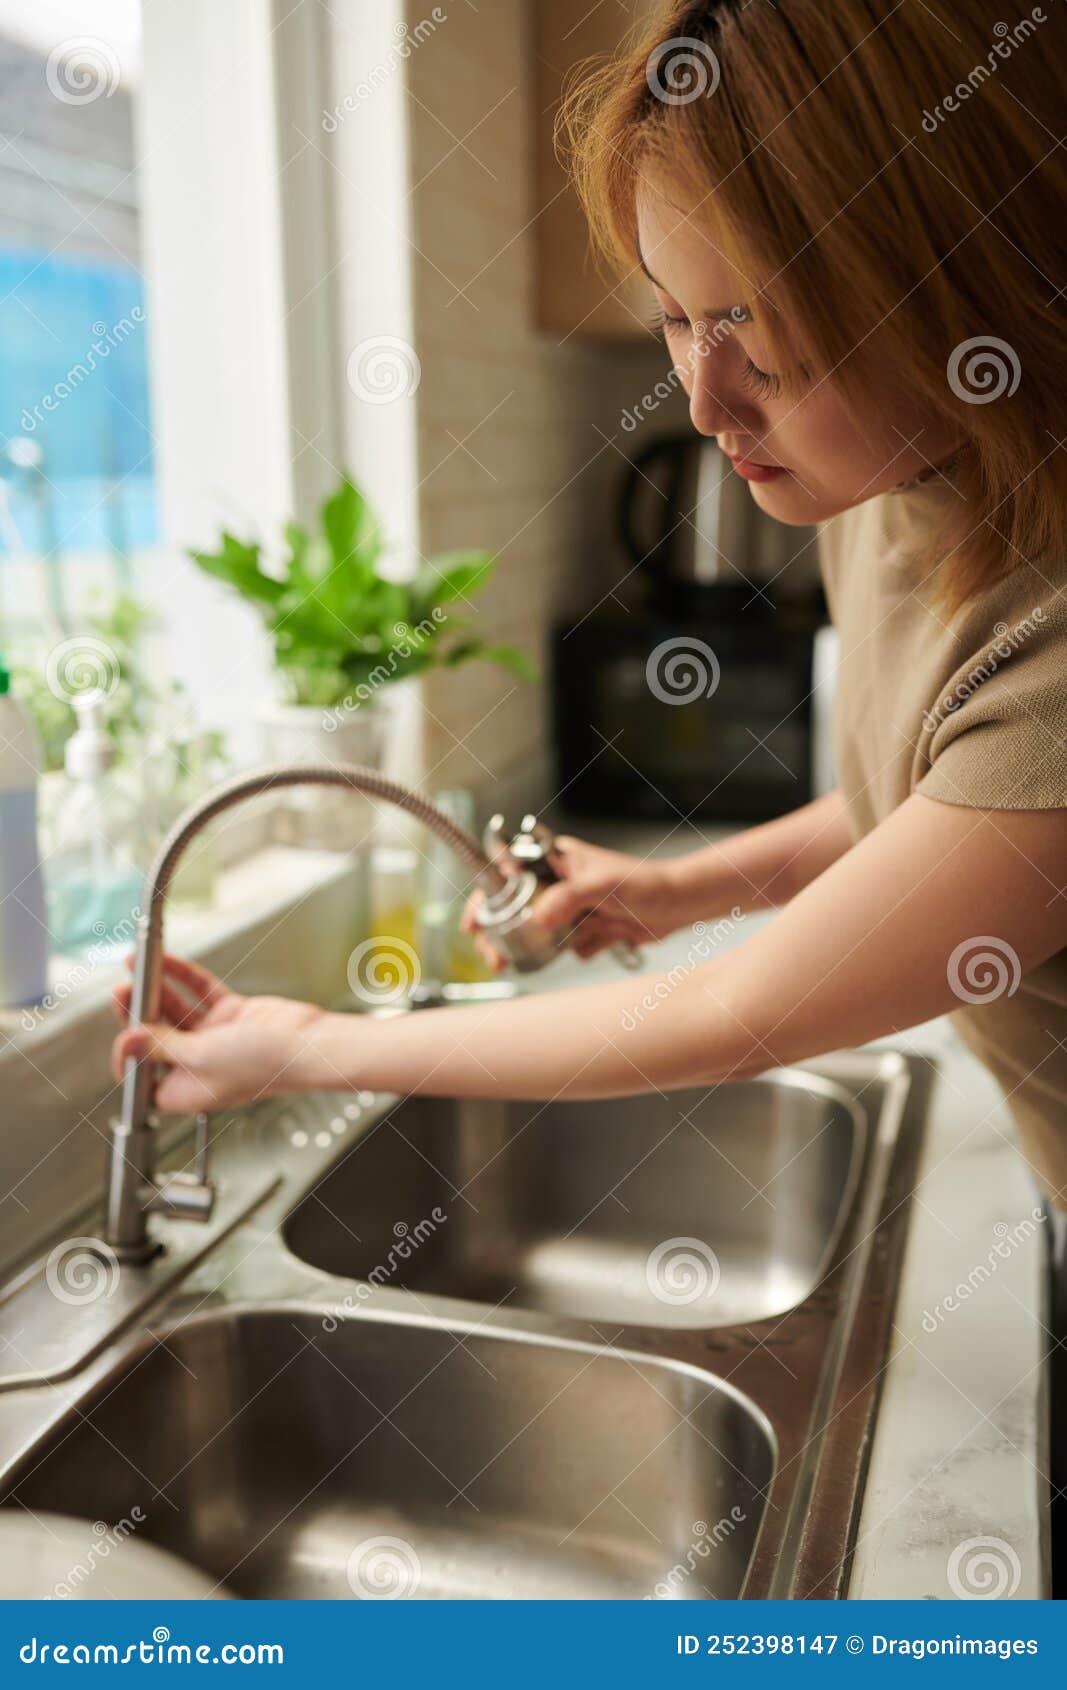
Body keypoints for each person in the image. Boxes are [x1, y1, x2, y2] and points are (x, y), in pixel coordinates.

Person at [113, 0, 1067, 1569]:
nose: (703, 398)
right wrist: (671, 883)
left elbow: (739, 1013)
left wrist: (311, 1046)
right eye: (682, 317)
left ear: (957, 268)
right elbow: (929, 807)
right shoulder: (891, 474)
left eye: (768, 325)